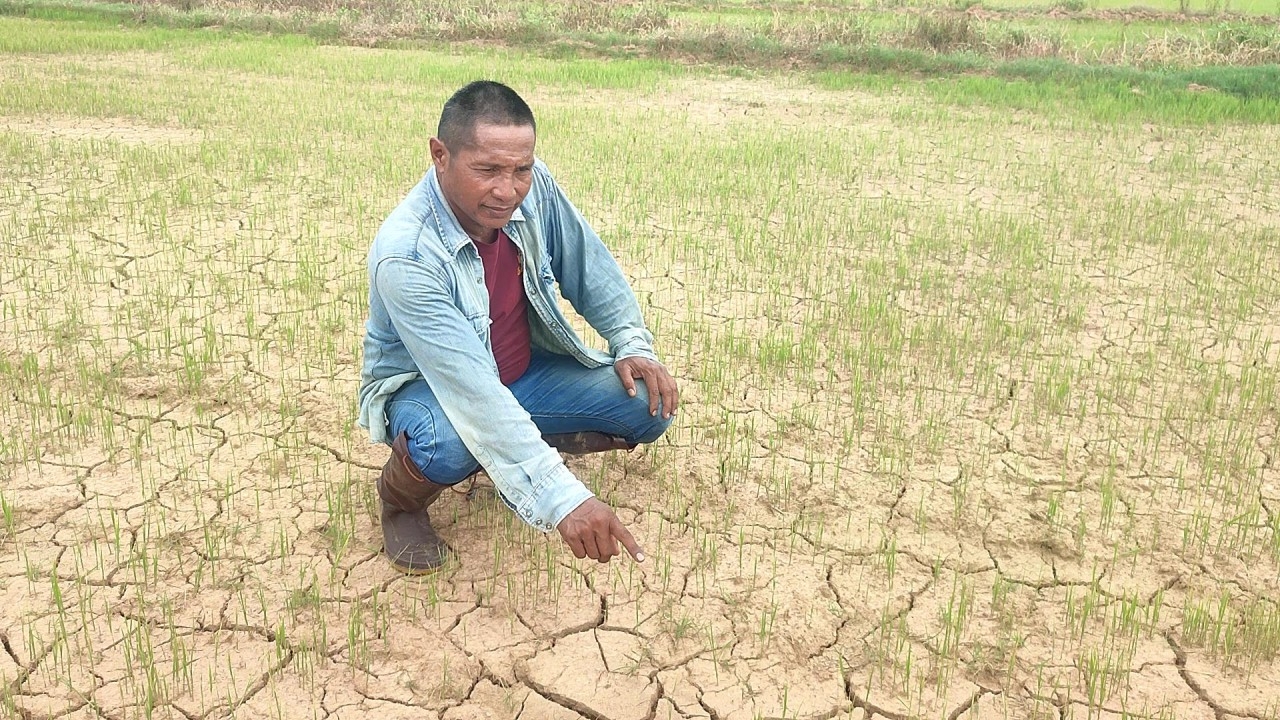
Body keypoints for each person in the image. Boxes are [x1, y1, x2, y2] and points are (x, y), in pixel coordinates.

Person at [357, 80, 679, 574]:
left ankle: (514, 454)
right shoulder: (407, 255)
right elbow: (473, 394)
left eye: (520, 170)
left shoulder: (534, 188)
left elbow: (588, 268)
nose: (508, 190)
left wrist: (633, 343)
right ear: (440, 155)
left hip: (524, 374)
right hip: (437, 393)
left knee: (646, 405)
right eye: (487, 170)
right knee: (446, 442)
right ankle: (399, 501)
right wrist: (563, 498)